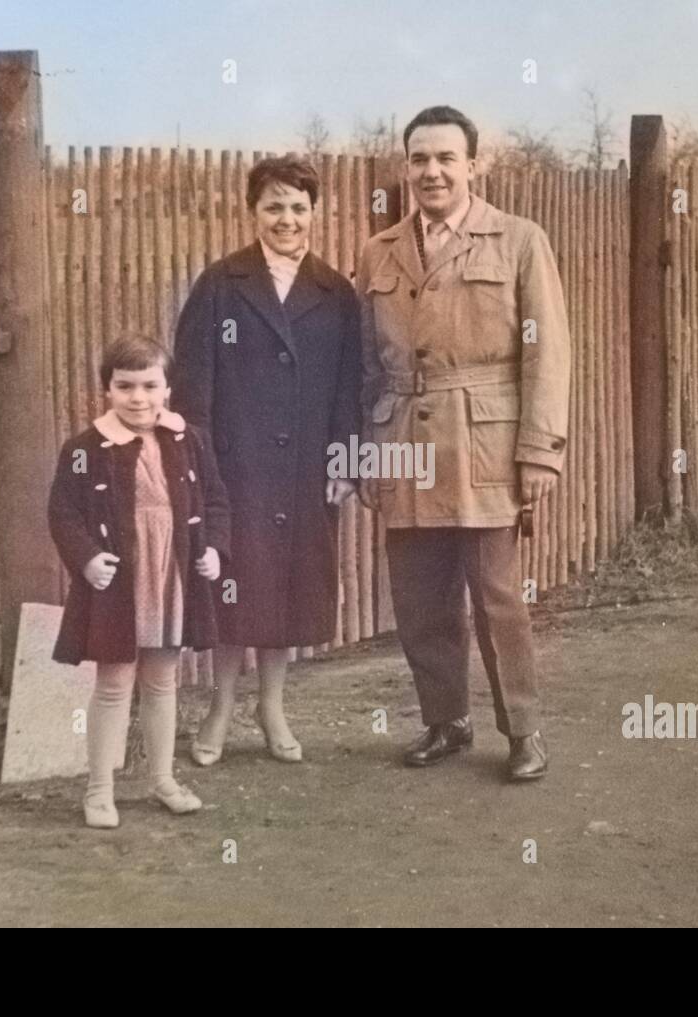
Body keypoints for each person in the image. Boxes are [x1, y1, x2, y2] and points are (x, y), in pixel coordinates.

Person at [356, 105, 571, 782]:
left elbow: (548, 355)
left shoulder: (517, 240)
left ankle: (523, 730)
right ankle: (446, 719)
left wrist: (539, 449)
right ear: (406, 167)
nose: (432, 172)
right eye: (419, 159)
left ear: (474, 165)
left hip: (484, 444)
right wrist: (368, 451)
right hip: (402, 438)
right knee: (419, 597)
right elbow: (365, 364)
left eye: (447, 158)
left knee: (499, 599)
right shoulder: (380, 249)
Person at [172, 154, 362, 765]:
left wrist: (343, 461)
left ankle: (272, 706)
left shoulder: (335, 293)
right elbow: (193, 387)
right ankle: (221, 708)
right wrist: (199, 469)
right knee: (235, 586)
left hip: (306, 470)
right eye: (274, 206)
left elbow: (348, 388)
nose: (287, 219)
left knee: (287, 588)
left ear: (315, 212)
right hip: (238, 471)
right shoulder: (221, 285)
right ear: (253, 211)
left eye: (298, 207)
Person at [48, 335, 231, 828]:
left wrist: (213, 548)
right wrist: (87, 560)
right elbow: (63, 513)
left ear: (168, 388)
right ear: (107, 389)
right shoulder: (86, 448)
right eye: (124, 385)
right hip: (122, 581)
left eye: (150, 385)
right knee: (113, 684)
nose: (138, 398)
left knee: (163, 681)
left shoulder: (187, 440)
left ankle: (162, 778)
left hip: (171, 572)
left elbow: (215, 499)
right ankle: (99, 790)